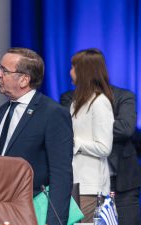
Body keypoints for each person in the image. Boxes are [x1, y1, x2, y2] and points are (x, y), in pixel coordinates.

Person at [0, 47, 73, 225]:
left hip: (30, 213)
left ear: (24, 79)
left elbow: (61, 176)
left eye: (4, 70)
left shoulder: (53, 113)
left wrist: (54, 223)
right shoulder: (4, 110)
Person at [61, 87, 141, 225]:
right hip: (87, 182)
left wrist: (93, 128)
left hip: (122, 182)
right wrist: (99, 127)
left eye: (74, 67)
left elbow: (126, 128)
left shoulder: (124, 96)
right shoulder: (70, 97)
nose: (70, 72)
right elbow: (67, 128)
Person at [63, 48, 114, 222]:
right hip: (75, 182)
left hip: (91, 186)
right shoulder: (77, 101)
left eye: (73, 67)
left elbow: (104, 147)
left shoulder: (99, 102)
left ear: (84, 71)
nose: (69, 71)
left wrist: (75, 142)